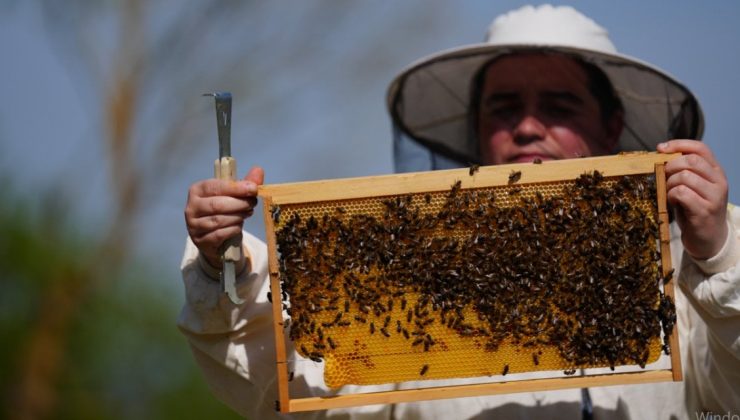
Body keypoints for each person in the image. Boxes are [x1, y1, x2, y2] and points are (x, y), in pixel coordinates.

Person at [179, 5, 740, 419]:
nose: (526, 126)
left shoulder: (676, 283)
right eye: (504, 107)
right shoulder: (396, 283)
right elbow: (284, 386)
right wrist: (220, 266)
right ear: (476, 129)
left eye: (559, 104)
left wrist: (719, 255)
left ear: (612, 126)